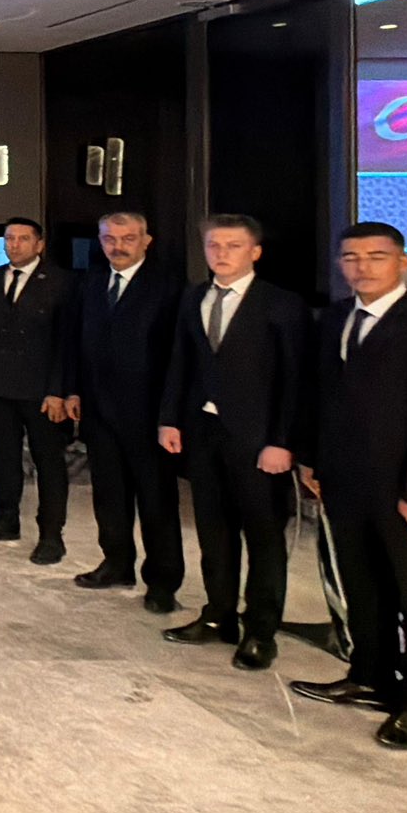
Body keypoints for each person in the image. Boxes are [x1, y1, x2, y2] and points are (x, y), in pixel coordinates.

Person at [292, 221, 407, 749]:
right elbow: (321, 396)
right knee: (362, 587)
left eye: (376, 256)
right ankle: (370, 677)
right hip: (345, 482)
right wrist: (312, 461)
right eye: (351, 257)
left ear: (403, 262)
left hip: (406, 492)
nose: (362, 266)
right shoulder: (336, 318)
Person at [157, 214, 309, 669]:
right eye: (214, 245)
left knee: (264, 537)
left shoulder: (282, 304)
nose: (221, 254)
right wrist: (169, 419)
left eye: (233, 246)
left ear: (255, 252)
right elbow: (180, 362)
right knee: (213, 532)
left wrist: (282, 441)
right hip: (204, 434)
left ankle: (260, 630)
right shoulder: (194, 297)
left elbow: (295, 380)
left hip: (260, 440)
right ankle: (218, 615)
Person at [63, 212, 185, 610]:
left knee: (156, 503)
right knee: (109, 497)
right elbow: (76, 341)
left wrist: (170, 415)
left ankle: (162, 583)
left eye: (128, 238)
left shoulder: (169, 286)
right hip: (99, 412)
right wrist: (72, 390)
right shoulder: (91, 282)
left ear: (146, 240)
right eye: (109, 238)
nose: (118, 246)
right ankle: (116, 563)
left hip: (149, 416)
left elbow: (178, 358)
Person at [0, 216, 74, 562]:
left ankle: (51, 535)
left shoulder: (61, 281)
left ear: (39, 244)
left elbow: (66, 342)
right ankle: (5, 519)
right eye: (10, 239)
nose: (15, 245)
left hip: (42, 392)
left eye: (24, 239)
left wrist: (59, 391)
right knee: (4, 458)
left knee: (48, 463)